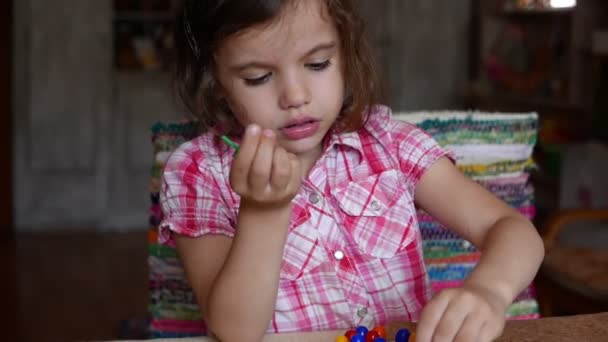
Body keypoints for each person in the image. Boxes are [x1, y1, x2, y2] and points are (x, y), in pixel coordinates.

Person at [159, 0, 545, 341]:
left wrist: (488, 291)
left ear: (346, 54)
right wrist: (264, 212)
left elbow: (513, 231)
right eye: (258, 77)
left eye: (318, 64)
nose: (295, 96)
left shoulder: (390, 144)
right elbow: (234, 331)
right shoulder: (197, 172)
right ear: (217, 83)